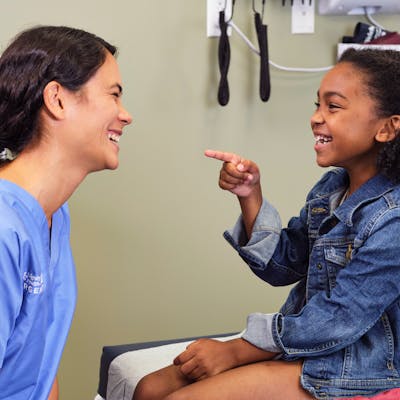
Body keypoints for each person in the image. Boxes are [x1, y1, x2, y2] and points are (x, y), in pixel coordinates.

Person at [132, 48, 400, 400]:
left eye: (332, 106)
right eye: (316, 105)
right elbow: (283, 268)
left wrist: (237, 350)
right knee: (150, 388)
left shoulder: (392, 218)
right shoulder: (331, 190)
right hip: (312, 344)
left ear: (387, 127)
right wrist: (250, 195)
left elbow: (339, 317)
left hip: (360, 366)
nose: (316, 118)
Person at [0, 26, 132, 400]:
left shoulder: (54, 215)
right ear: (57, 99)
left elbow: (41, 365)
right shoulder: (3, 230)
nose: (126, 115)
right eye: (114, 95)